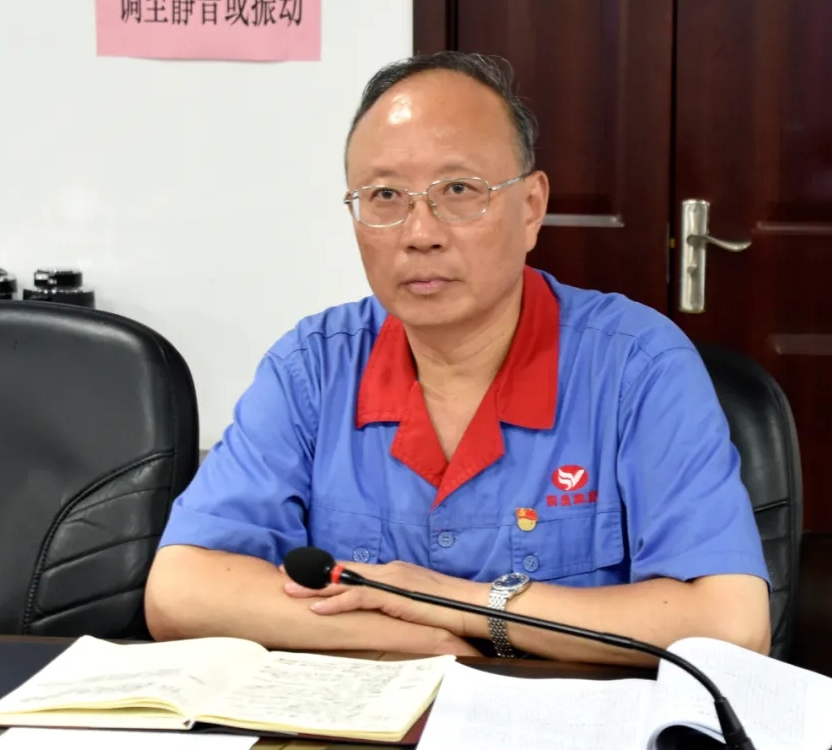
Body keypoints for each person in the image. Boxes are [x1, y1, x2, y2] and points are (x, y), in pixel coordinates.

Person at [144, 51, 771, 665]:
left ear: (531, 208)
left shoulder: (637, 365)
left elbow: (730, 625)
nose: (420, 233)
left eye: (460, 190)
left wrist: (459, 604)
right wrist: (418, 639)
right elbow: (182, 590)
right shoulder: (313, 367)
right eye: (385, 195)